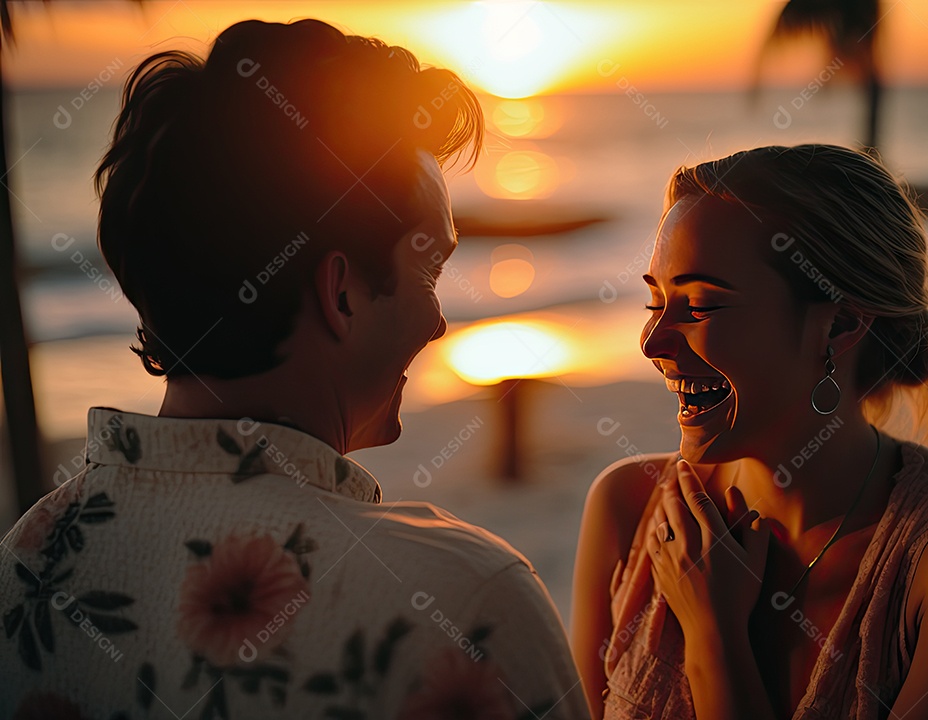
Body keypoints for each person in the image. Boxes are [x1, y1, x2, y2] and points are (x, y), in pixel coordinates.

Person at [0, 19, 587, 719]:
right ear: (339, 292)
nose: (439, 323)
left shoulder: (22, 570)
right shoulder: (465, 599)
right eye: (429, 266)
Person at [571, 144, 928, 719]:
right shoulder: (628, 508)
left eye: (700, 306)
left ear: (842, 324)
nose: (652, 343)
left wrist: (714, 639)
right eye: (655, 301)